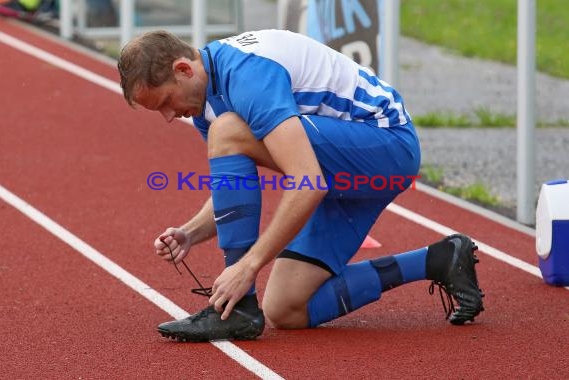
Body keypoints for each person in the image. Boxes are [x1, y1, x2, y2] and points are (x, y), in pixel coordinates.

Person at [117, 29, 484, 342]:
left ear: (183, 69)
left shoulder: (246, 75)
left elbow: (307, 181)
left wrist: (248, 266)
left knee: (227, 130)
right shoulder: (204, 101)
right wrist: (190, 233)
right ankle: (440, 259)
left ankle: (238, 307)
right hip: (343, 166)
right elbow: (234, 188)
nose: (169, 116)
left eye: (166, 102)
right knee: (286, 307)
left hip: (387, 148)